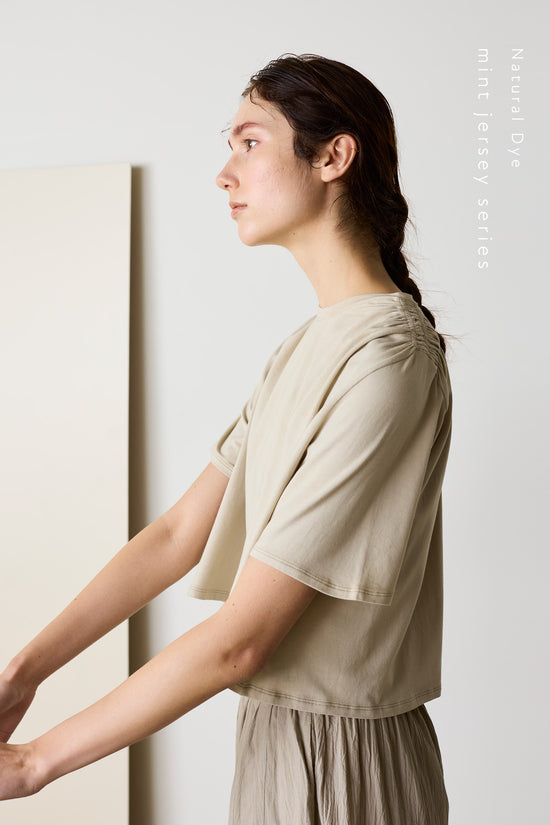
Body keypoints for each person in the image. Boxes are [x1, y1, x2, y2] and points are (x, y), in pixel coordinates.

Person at [0, 52, 452, 824]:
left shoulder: (390, 357)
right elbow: (177, 533)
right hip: (275, 742)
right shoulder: (302, 351)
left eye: (249, 142)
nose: (223, 173)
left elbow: (242, 639)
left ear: (334, 157)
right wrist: (24, 671)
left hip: (346, 761)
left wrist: (36, 760)